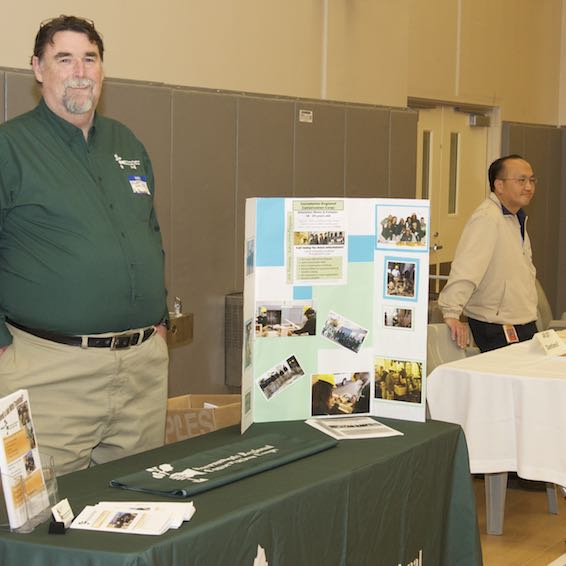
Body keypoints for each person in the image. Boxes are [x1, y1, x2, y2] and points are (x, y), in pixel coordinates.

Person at [0, 16, 169, 475]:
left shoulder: (126, 143)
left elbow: (149, 231)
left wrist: (159, 320)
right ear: (37, 68)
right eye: (64, 58)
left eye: (90, 58)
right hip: (50, 372)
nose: (80, 70)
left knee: (138, 506)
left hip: (140, 373)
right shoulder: (10, 147)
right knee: (42, 519)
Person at [438, 154, 538, 352]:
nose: (528, 187)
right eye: (521, 180)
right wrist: (451, 312)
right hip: (496, 325)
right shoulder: (487, 218)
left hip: (522, 320)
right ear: (499, 185)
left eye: (531, 180)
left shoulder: (515, 217)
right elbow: (467, 267)